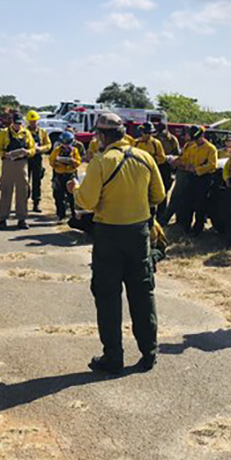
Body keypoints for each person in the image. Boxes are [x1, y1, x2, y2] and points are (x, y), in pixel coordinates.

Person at [68, 113, 165, 374]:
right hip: (139, 235)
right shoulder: (144, 157)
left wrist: (74, 189)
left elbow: (86, 202)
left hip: (109, 236)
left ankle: (113, 357)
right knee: (143, 294)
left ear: (101, 135)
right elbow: (159, 194)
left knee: (109, 296)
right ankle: (149, 352)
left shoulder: (101, 162)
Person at [0, 113, 35, 229]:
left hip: (22, 164)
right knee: (6, 191)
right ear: (12, 122)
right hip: (8, 164)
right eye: (16, 123)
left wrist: (28, 152)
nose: (18, 125)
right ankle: (2, 219)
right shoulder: (4, 133)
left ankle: (22, 219)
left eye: (20, 123)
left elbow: (32, 148)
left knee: (22, 192)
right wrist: (4, 154)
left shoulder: (26, 133)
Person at [175, 125, 217, 235]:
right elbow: (185, 159)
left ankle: (197, 229)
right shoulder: (191, 147)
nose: (196, 141)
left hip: (203, 179)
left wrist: (197, 169)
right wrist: (179, 162)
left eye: (197, 138)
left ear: (202, 135)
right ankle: (185, 226)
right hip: (190, 178)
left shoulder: (211, 149)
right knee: (187, 203)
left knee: (200, 205)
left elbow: (212, 165)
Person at [49, 131, 82, 220]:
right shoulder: (57, 150)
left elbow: (78, 162)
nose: (65, 145)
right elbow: (51, 161)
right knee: (58, 195)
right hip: (59, 175)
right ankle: (61, 214)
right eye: (64, 143)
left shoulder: (74, 150)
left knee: (72, 196)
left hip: (70, 175)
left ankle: (73, 214)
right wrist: (56, 162)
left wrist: (73, 161)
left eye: (67, 143)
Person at [25, 111, 51, 213]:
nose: (32, 123)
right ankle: (23, 203)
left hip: (37, 159)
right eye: (31, 121)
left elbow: (48, 144)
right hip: (26, 159)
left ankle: (36, 203)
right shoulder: (24, 132)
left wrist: (41, 148)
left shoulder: (42, 132)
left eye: (34, 121)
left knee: (37, 181)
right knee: (25, 182)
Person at [154, 122, 180, 217]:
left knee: (164, 189)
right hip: (155, 164)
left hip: (166, 166)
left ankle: (161, 213)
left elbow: (177, 153)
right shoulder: (154, 138)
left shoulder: (172, 140)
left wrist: (170, 158)